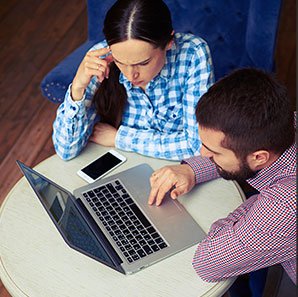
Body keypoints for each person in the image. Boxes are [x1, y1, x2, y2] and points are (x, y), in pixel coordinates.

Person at [148, 69, 296, 294]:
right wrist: (192, 171)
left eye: (213, 152)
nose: (201, 152)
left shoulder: (284, 205)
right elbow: (241, 155)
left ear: (259, 157)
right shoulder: (287, 124)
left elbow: (208, 263)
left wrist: (255, 206)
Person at [52, 0, 214, 161]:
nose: (130, 75)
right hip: (120, 163)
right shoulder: (101, 58)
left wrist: (119, 138)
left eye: (143, 63)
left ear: (169, 42)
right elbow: (66, 151)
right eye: (120, 62)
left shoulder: (193, 53)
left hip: (176, 169)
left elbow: (197, 146)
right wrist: (78, 88)